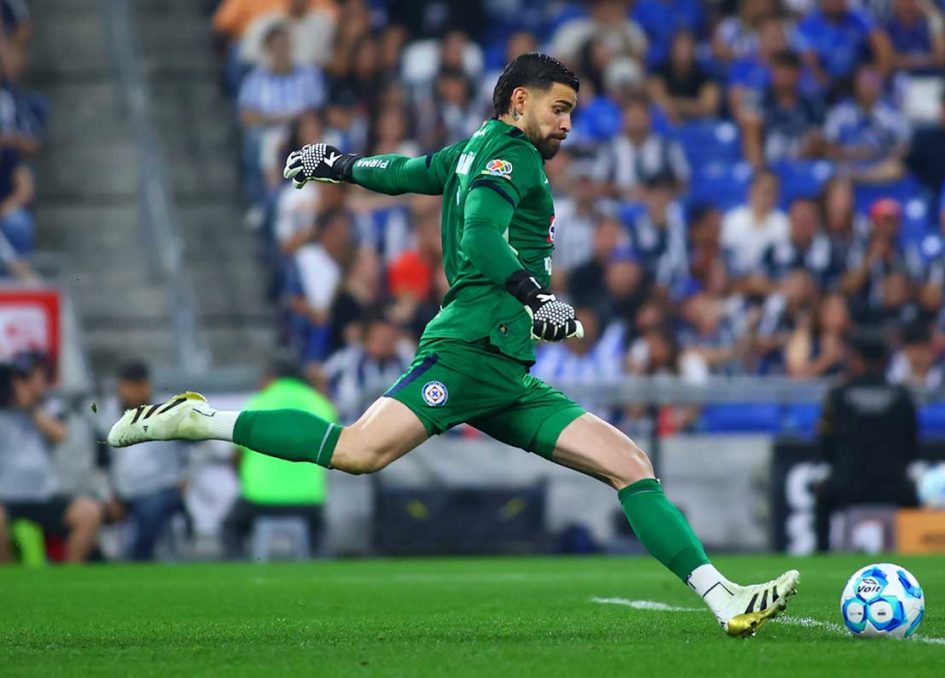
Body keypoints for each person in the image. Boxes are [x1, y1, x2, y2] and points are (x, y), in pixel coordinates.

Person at [109, 52, 798, 636]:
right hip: (469, 352)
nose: (565, 123)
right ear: (521, 100)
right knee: (356, 451)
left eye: (571, 113)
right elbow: (478, 239)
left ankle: (723, 599)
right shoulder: (517, 157)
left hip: (509, 372)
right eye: (559, 108)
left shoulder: (471, 150)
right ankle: (200, 419)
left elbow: (405, 173)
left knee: (628, 461)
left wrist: (337, 164)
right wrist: (537, 299)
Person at [221, 356, 336, 558]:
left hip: (260, 499)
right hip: (308, 500)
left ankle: (237, 567)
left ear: (271, 378)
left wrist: (245, 478)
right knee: (319, 528)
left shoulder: (258, 402)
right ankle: (318, 562)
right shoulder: (320, 404)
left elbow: (236, 454)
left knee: (230, 527)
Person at [814, 332, 918, 552]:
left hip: (847, 486)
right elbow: (913, 446)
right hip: (895, 487)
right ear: (884, 361)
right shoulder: (903, 396)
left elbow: (826, 446)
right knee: (914, 498)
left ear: (856, 359)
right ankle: (916, 553)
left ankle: (821, 554)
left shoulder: (837, 395)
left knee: (822, 499)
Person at [0, 352, 102, 563]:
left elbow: (59, 434)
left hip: (43, 495)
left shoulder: (48, 408)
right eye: (20, 379)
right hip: (6, 496)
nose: (25, 384)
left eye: (30, 377)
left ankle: (70, 576)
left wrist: (29, 408)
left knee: (89, 513)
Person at [100, 361, 190, 561]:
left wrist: (185, 478)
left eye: (130, 386)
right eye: (122, 387)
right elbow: (103, 461)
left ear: (144, 386)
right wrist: (109, 495)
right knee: (91, 511)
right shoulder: (108, 415)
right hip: (122, 493)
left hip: (162, 488)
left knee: (151, 508)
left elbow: (198, 449)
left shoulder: (168, 413)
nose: (125, 392)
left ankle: (138, 559)